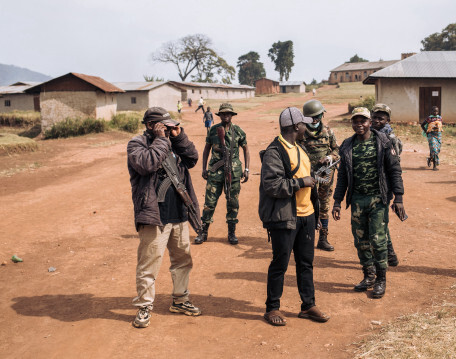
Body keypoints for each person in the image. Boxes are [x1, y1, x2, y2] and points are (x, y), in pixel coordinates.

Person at [126, 107, 201, 328]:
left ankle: (180, 300)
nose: (168, 130)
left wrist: (180, 137)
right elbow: (146, 164)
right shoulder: (137, 144)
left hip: (178, 213)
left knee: (182, 261)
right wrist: (161, 140)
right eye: (164, 126)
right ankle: (144, 306)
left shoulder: (171, 143)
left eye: (170, 126)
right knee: (148, 264)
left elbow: (192, 158)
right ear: (150, 126)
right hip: (154, 216)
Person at [259, 107, 330, 326]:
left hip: (306, 215)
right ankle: (272, 308)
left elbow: (302, 175)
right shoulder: (275, 152)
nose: (307, 127)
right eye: (304, 124)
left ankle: (308, 305)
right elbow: (271, 185)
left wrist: (317, 173)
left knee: (306, 263)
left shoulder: (299, 148)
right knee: (280, 263)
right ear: (296, 127)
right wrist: (301, 182)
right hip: (285, 217)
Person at [332, 107, 405, 299]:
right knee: (361, 240)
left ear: (369, 123)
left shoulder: (383, 142)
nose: (359, 125)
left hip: (378, 199)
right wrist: (337, 201)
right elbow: (342, 177)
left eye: (363, 121)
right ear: (352, 123)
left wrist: (398, 197)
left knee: (378, 240)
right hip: (356, 200)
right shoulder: (347, 145)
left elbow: (395, 170)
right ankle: (369, 275)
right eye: (356, 121)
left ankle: (381, 279)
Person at [195, 103, 249, 245]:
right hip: (215, 172)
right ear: (219, 115)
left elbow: (246, 149)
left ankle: (231, 233)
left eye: (228, 114)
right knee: (209, 203)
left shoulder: (238, 131)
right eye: (223, 114)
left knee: (233, 203)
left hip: (234, 172)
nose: (226, 116)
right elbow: (206, 149)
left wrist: (247, 169)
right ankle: (204, 232)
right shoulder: (213, 131)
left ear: (232, 115)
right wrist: (204, 168)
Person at [299, 99, 339, 252]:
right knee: (304, 205)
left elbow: (337, 150)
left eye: (317, 116)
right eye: (311, 117)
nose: (315, 120)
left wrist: (329, 158)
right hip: (305, 176)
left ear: (322, 115)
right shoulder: (300, 133)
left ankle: (323, 238)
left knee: (324, 205)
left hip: (324, 176)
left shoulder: (328, 132)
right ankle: (304, 238)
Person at [370, 103, 402, 267]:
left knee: (379, 222)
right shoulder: (369, 134)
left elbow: (395, 167)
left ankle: (388, 254)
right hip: (370, 186)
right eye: (374, 117)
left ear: (387, 120)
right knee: (378, 222)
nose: (376, 120)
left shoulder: (390, 138)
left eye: (380, 118)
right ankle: (389, 254)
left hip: (384, 187)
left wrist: (398, 195)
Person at [420, 106, 443, 171]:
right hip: (431, 135)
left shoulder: (440, 118)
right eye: (434, 111)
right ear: (431, 111)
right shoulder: (429, 118)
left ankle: (430, 159)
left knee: (437, 150)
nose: (435, 112)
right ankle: (435, 166)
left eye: (437, 111)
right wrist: (426, 132)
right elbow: (422, 125)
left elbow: (440, 125)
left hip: (438, 135)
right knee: (434, 149)